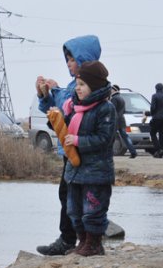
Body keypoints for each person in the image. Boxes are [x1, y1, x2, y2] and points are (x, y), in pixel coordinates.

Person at [35, 34, 101, 256]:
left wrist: (55, 90)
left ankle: (74, 239)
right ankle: (76, 238)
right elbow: (56, 111)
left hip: (80, 150)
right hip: (69, 149)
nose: (68, 64)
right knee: (68, 194)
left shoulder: (88, 86)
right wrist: (45, 94)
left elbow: (71, 104)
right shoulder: (74, 86)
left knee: (77, 195)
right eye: (67, 60)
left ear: (83, 59)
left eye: (71, 59)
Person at [61, 61, 116, 256]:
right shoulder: (74, 108)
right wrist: (60, 119)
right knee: (73, 209)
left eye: (83, 84)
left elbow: (104, 138)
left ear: (95, 86)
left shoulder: (105, 109)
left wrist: (77, 140)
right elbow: (63, 130)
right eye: (77, 84)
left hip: (96, 171)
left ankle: (94, 243)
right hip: (75, 170)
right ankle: (82, 241)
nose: (78, 88)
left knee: (93, 208)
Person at [111, 84, 137, 158]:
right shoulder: (121, 98)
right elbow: (124, 110)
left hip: (115, 120)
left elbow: (113, 111)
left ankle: (108, 152)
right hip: (122, 120)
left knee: (111, 137)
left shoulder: (114, 99)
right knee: (125, 136)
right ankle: (133, 151)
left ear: (114, 90)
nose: (110, 91)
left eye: (111, 89)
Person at [149, 83, 163, 158]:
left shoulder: (154, 96)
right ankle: (161, 152)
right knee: (162, 135)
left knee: (153, 133)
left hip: (156, 118)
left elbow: (153, 107)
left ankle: (158, 149)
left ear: (156, 88)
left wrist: (152, 114)